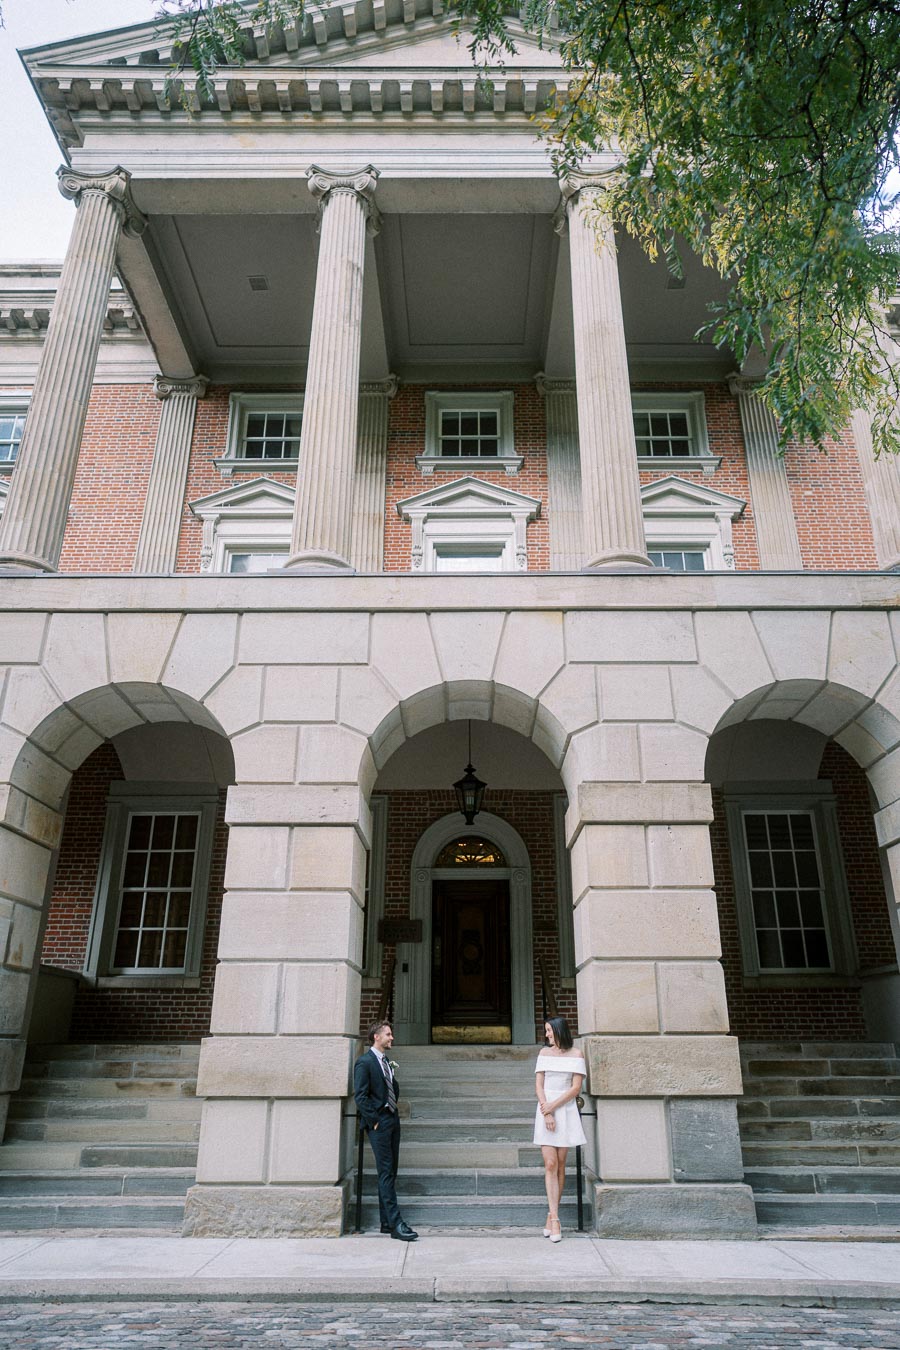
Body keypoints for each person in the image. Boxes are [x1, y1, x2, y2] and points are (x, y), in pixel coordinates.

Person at [353, 1020, 418, 1242]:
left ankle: (385, 1222)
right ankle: (396, 1223)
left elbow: (390, 1089)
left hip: (392, 1120)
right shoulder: (365, 1063)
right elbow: (360, 1096)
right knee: (386, 1172)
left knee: (391, 1172)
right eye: (388, 1034)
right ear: (376, 1037)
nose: (392, 1038)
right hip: (379, 1123)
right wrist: (375, 1121)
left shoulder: (385, 1061)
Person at [533, 1014, 586, 1244]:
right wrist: (547, 1112)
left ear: (558, 1030)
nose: (546, 1035)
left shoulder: (576, 1054)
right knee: (550, 1163)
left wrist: (554, 1108)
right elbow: (539, 1084)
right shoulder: (544, 1054)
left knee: (561, 1165)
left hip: (565, 1109)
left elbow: (575, 1088)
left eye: (548, 1031)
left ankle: (550, 1215)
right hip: (546, 1109)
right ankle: (556, 1220)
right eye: (545, 1031)